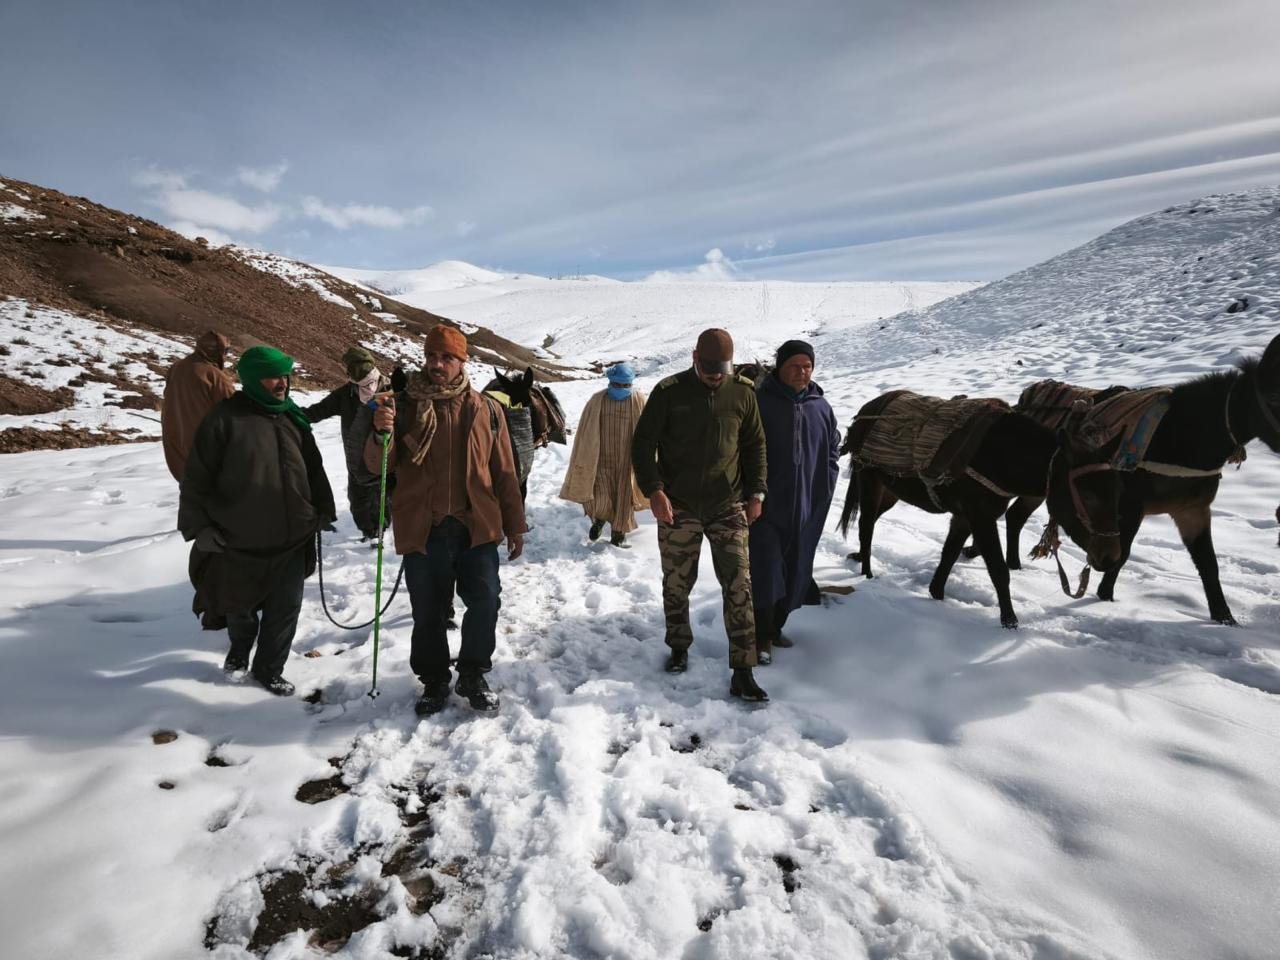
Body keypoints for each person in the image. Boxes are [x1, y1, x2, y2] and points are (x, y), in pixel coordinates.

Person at [369, 324, 527, 716]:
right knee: (428, 612)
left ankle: (473, 672)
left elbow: (505, 471)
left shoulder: (486, 409)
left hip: (477, 526)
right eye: (432, 356)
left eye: (447, 357)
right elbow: (377, 468)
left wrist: (515, 524)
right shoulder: (402, 407)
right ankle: (435, 679)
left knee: (486, 602)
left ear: (462, 362)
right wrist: (379, 435)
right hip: (426, 528)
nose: (438, 364)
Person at [179, 346, 336, 696]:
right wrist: (199, 528)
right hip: (238, 539)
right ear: (251, 379)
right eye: (272, 376)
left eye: (284, 375)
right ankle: (239, 649)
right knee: (240, 607)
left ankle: (269, 669)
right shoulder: (224, 420)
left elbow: (313, 469)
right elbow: (196, 479)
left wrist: (323, 508)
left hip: (293, 535)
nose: (281, 383)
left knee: (285, 609)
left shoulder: (293, 417)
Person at [631, 328, 770, 702]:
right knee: (677, 582)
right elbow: (642, 447)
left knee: (739, 582)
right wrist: (654, 491)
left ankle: (743, 668)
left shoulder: (742, 392)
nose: (715, 375)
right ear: (694, 357)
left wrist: (756, 492)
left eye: (720, 368)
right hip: (679, 505)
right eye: (708, 367)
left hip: (728, 505)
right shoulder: (668, 392)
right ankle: (678, 645)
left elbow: (755, 445)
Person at [748, 340, 841, 664]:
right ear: (780, 368)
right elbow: (744, 450)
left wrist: (826, 480)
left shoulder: (820, 406)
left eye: (807, 366)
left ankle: (776, 628)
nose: (802, 372)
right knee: (766, 572)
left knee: (796, 572)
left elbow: (833, 445)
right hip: (766, 508)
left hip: (807, 509)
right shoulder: (761, 403)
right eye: (794, 366)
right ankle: (760, 636)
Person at [305, 346, 393, 540]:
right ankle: (369, 531)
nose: (360, 371)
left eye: (364, 367)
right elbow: (317, 411)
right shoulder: (345, 395)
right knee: (358, 499)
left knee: (383, 496)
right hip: (356, 459)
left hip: (385, 454)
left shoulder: (389, 390)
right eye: (354, 367)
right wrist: (292, 415)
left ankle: (381, 529)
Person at [559, 362, 648, 546]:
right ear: (610, 382)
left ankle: (618, 533)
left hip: (626, 460)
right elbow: (586, 430)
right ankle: (599, 520)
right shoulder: (597, 399)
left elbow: (647, 430)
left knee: (624, 497)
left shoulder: (638, 399)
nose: (621, 388)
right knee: (599, 493)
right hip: (600, 458)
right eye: (617, 384)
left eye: (625, 385)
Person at [161, 329, 235, 482]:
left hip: (177, 439)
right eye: (226, 350)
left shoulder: (177, 367)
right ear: (218, 351)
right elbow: (233, 411)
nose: (226, 355)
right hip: (206, 447)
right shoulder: (215, 375)